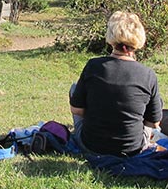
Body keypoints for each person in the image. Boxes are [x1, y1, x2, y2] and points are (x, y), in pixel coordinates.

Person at [69, 11, 162, 157]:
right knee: (153, 100)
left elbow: (77, 110)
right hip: (132, 148)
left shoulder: (93, 66)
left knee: (74, 89)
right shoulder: (147, 75)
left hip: (91, 145)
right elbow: (154, 122)